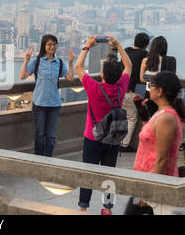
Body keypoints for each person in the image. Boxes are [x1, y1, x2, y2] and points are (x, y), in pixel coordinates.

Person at [75, 35, 132, 215]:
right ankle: (107, 209)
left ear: (102, 75)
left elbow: (78, 67)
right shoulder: (121, 87)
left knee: (88, 173)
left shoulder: (94, 88)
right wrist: (118, 45)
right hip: (113, 138)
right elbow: (129, 66)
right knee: (109, 175)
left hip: (93, 137)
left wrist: (87, 46)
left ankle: (83, 207)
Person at [130, 71, 184, 215]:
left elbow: (162, 158)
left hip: (155, 186)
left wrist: (149, 192)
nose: (149, 88)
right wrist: (142, 111)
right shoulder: (162, 113)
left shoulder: (167, 117)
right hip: (145, 180)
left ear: (159, 91)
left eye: (151, 85)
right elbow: (152, 137)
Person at [20, 34, 75, 157]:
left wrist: (71, 63)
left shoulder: (59, 63)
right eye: (49, 44)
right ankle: (39, 160)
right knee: (40, 134)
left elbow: (70, 78)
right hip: (40, 103)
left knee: (51, 135)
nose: (52, 47)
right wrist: (26, 60)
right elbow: (22, 76)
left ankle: (48, 159)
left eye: (54, 44)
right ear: (44, 46)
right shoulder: (37, 61)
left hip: (54, 103)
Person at [120, 32, 150, 152]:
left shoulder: (126, 51)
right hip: (129, 91)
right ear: (146, 45)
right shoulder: (145, 55)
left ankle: (116, 141)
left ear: (134, 42)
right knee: (131, 118)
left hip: (119, 90)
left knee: (120, 116)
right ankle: (124, 145)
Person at [140, 36, 176, 116]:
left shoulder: (145, 60)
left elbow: (142, 79)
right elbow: (171, 78)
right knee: (161, 117)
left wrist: (150, 80)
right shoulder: (169, 60)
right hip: (162, 95)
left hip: (148, 93)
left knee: (151, 117)